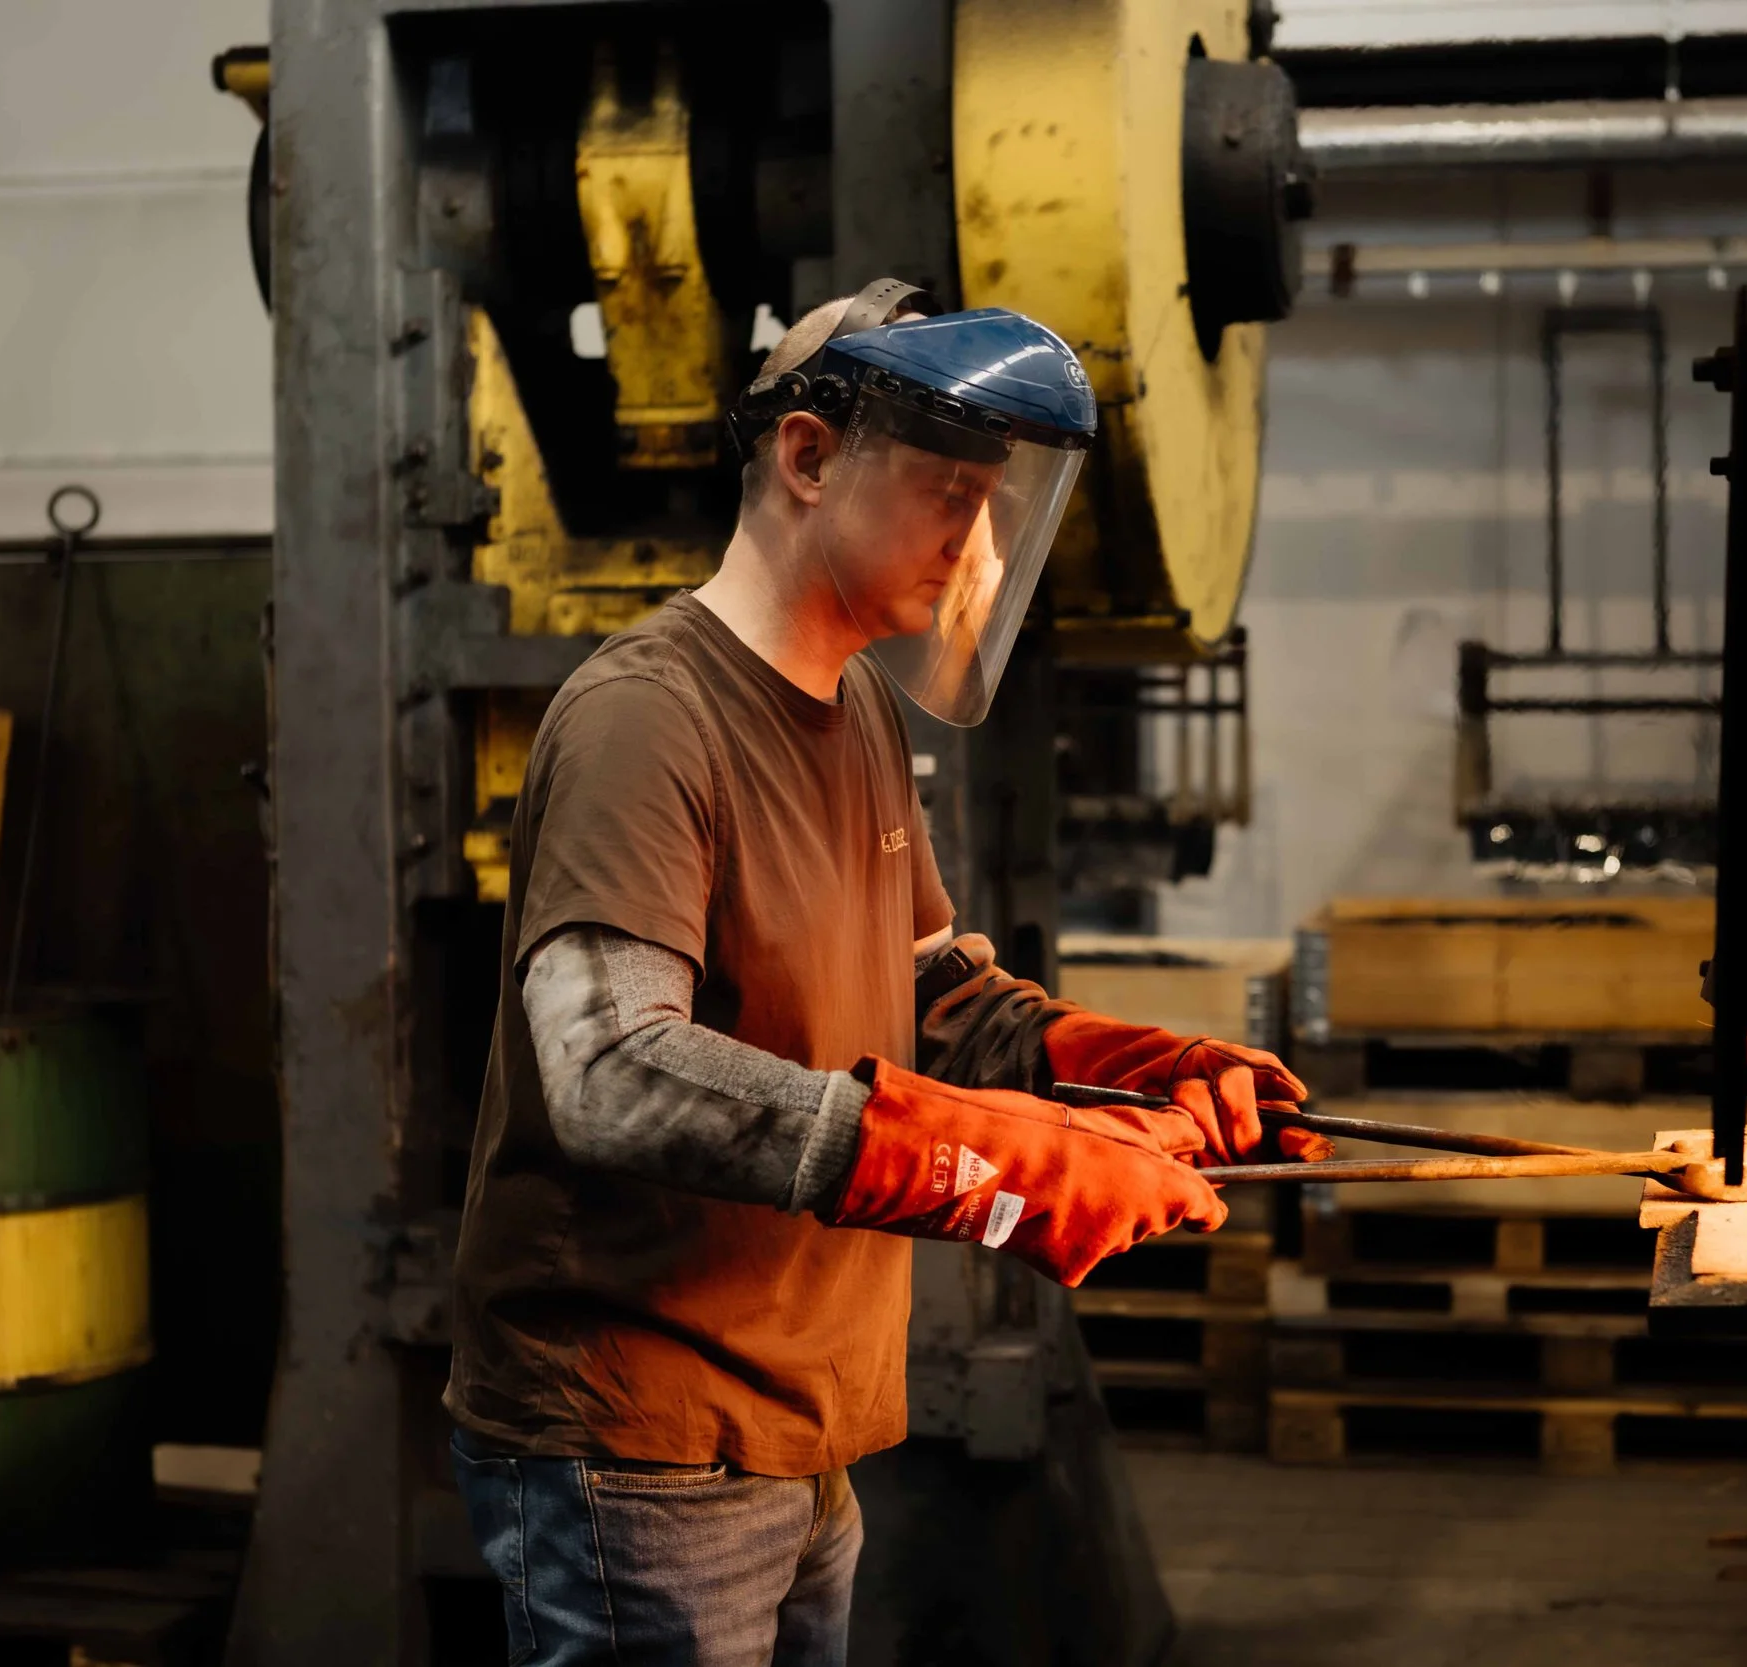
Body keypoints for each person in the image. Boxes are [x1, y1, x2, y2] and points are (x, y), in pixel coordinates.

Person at [442, 279, 1330, 1667]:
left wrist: (1126, 1067)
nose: (975, 541)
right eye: (947, 492)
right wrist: (983, 1164)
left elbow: (931, 998)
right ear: (807, 456)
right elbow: (607, 1070)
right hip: (640, 1435)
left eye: (994, 503)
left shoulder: (854, 707)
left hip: (803, 1423)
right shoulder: (645, 719)